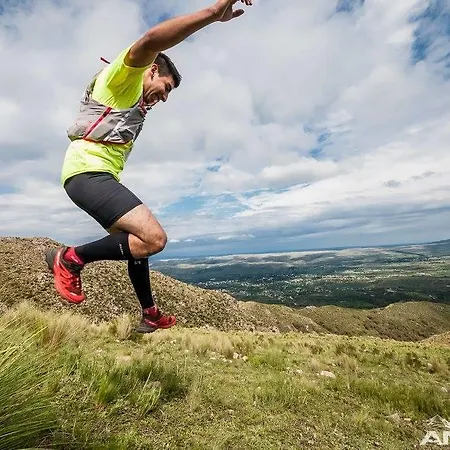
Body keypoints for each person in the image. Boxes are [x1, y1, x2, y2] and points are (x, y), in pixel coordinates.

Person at [45, 0, 253, 333]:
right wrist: (213, 14)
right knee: (154, 239)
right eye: (166, 87)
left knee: (137, 247)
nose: (165, 97)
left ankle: (149, 313)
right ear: (152, 71)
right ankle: (70, 258)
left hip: (93, 175)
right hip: (87, 173)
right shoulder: (123, 79)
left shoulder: (133, 102)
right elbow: (151, 40)